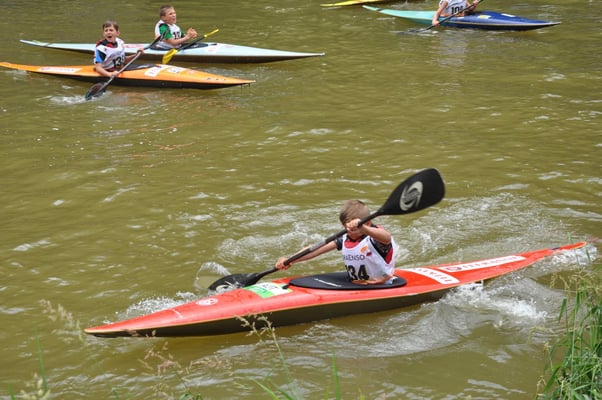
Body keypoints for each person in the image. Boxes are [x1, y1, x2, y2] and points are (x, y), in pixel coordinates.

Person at [275, 200, 396, 285]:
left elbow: (387, 238)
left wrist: (363, 228)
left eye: (353, 229)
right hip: (356, 285)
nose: (348, 232)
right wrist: (290, 260)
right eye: (345, 227)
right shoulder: (345, 238)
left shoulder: (376, 238)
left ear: (368, 223)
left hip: (383, 285)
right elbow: (315, 250)